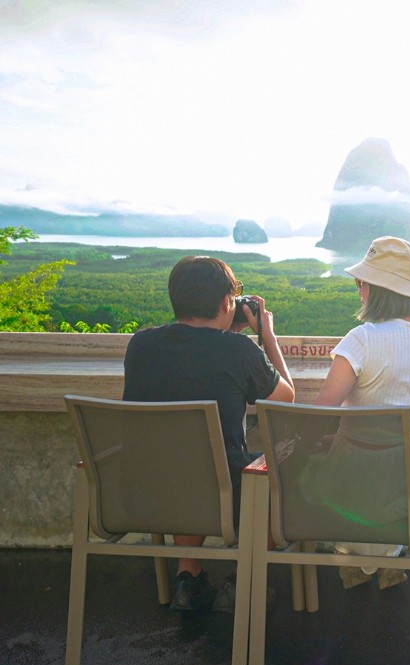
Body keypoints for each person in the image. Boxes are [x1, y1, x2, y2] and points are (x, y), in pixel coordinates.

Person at [123, 255, 295, 611]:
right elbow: (285, 399)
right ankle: (244, 576)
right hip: (227, 496)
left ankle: (189, 577)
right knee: (288, 466)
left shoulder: (140, 345)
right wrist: (267, 335)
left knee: (182, 460)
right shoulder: (237, 350)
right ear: (225, 303)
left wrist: (222, 336)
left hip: (149, 491)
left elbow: (193, 359)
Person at [314, 236, 410, 589]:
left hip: (356, 474)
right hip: (407, 470)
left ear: (377, 289)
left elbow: (322, 411)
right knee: (396, 460)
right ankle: (389, 556)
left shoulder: (362, 339)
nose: (359, 290)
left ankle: (356, 563)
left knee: (337, 458)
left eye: (361, 283)